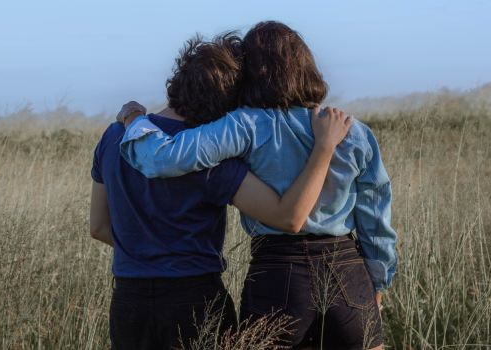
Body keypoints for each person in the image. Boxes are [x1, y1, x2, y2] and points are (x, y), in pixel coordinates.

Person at [117, 21, 397, 349]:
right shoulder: (353, 131)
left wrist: (134, 120)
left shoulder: (246, 124)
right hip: (349, 274)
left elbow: (163, 159)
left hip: (278, 272)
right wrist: (377, 285)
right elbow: (376, 220)